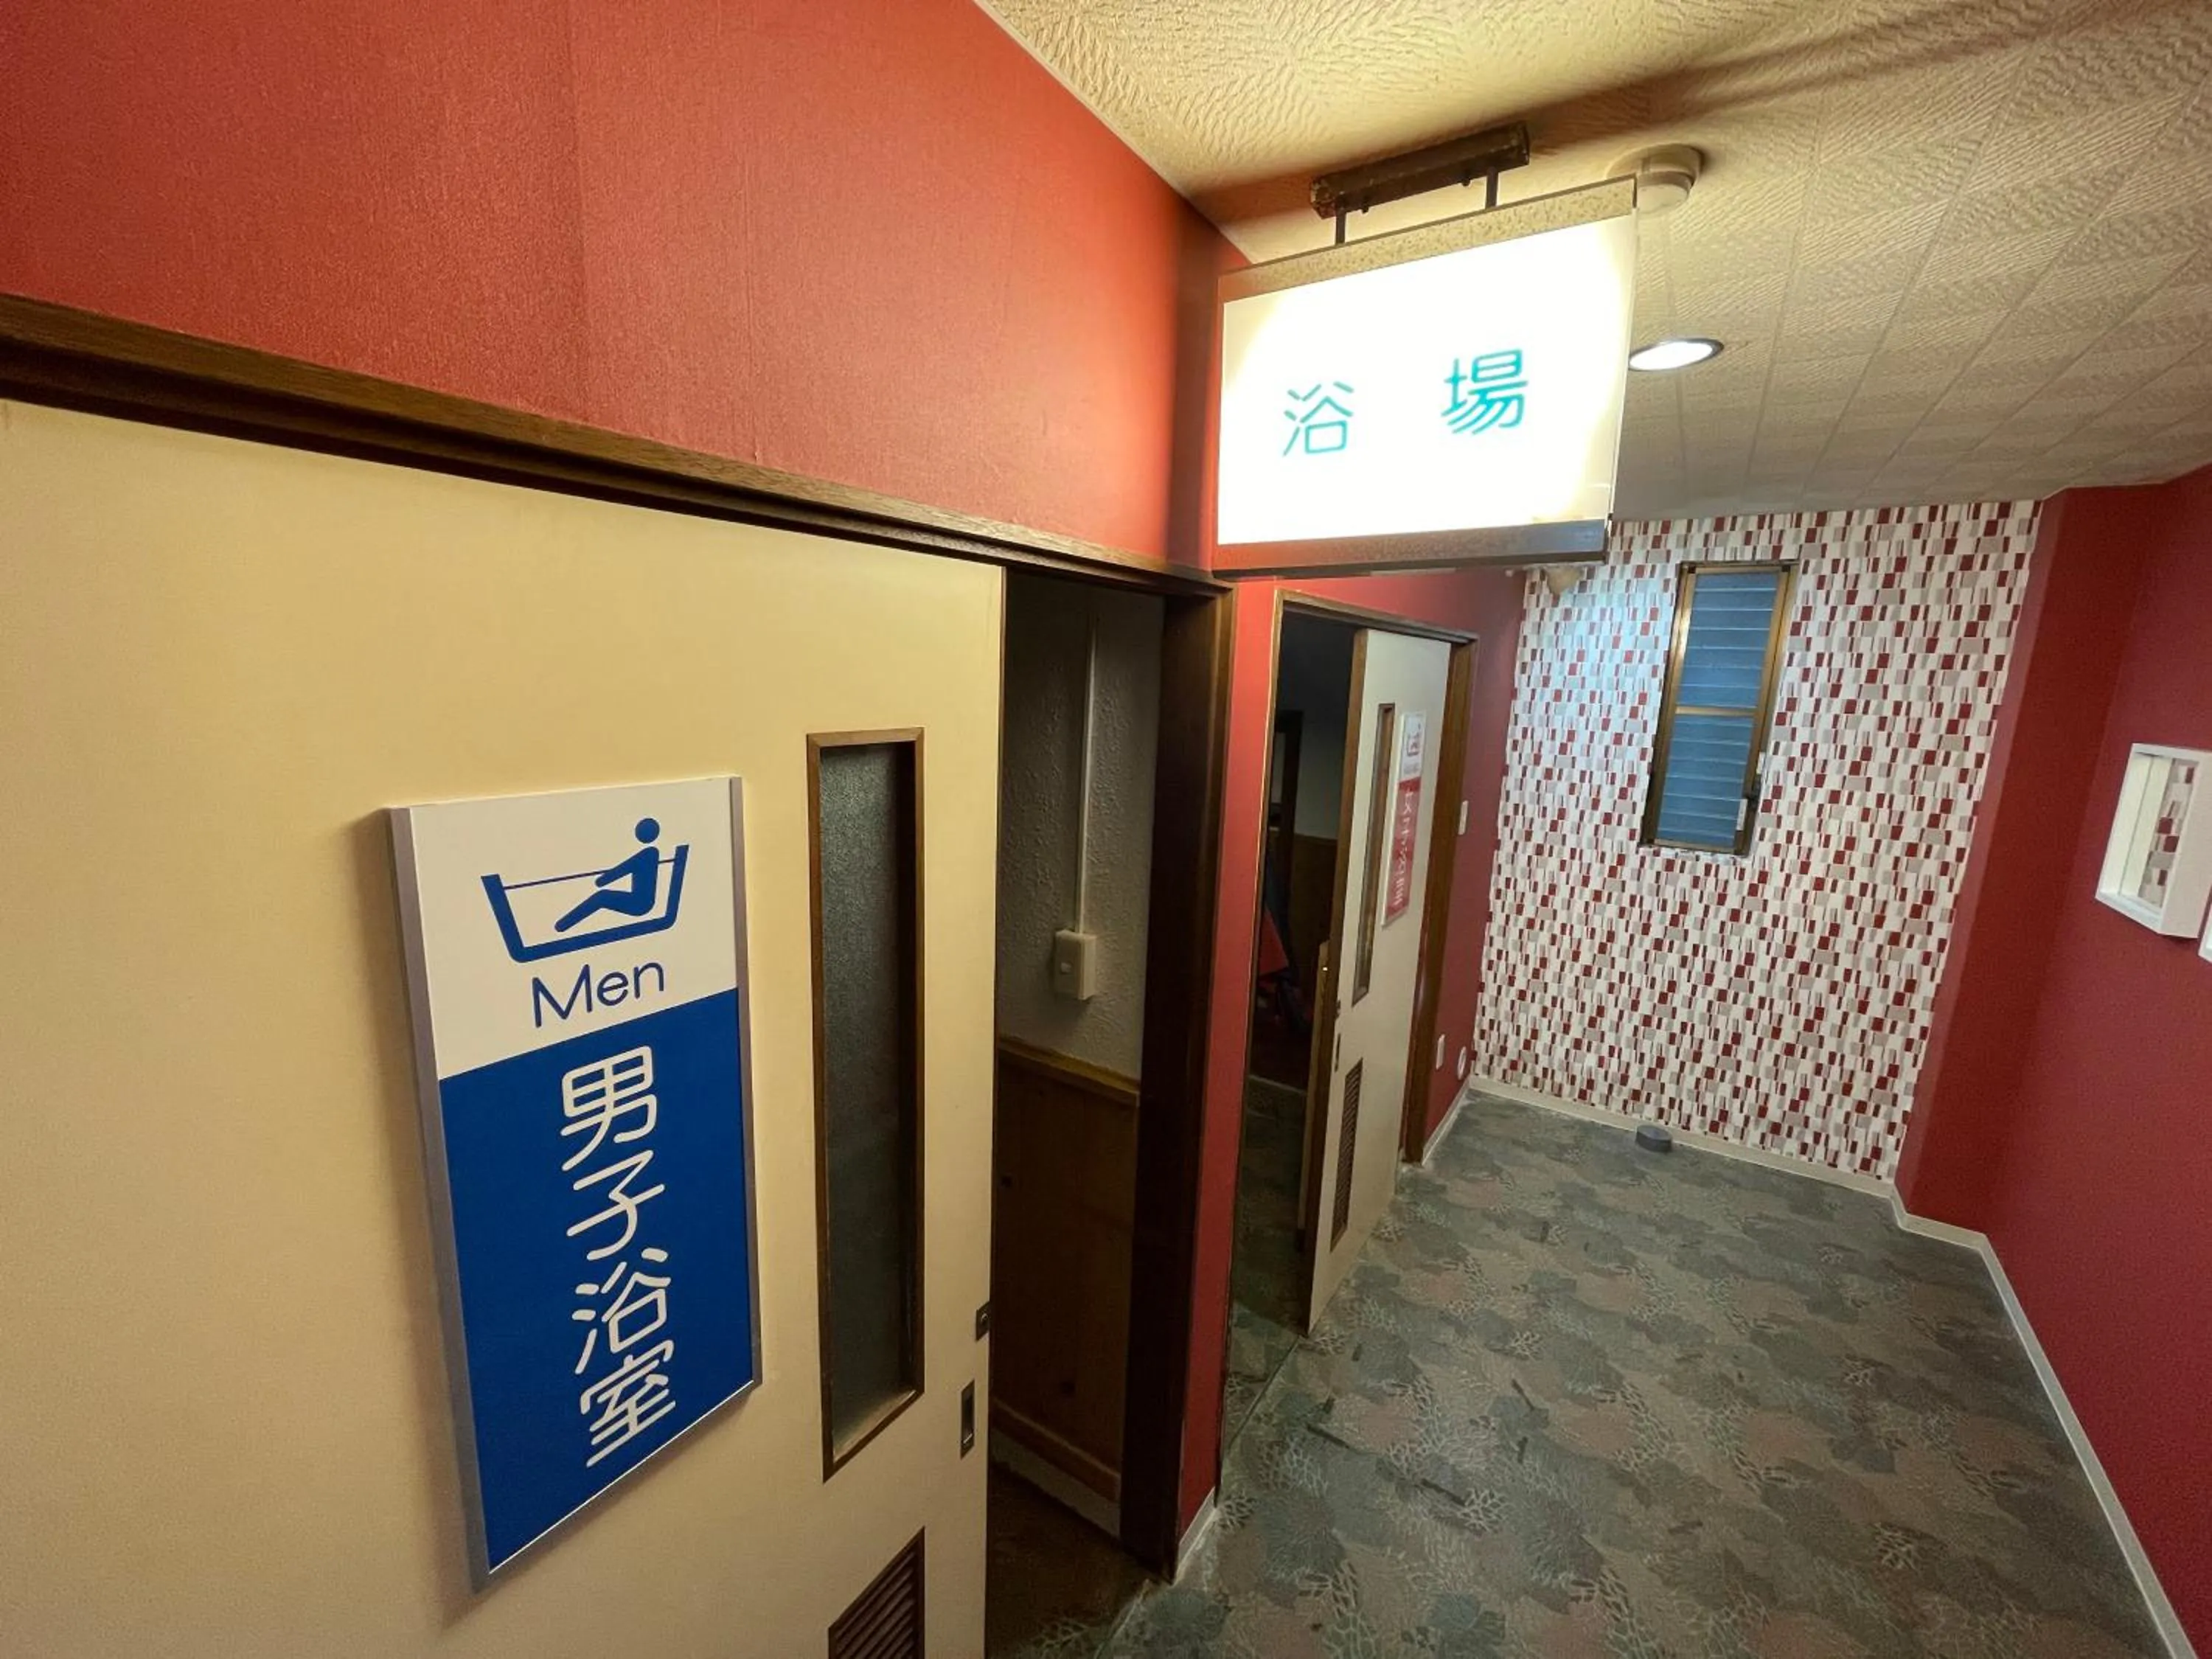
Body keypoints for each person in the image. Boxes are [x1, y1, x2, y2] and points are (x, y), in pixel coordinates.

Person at [555, 818, 665, 933]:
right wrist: (602, 880)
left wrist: (601, 880)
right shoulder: (652, 853)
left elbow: (623, 869)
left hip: (639, 903)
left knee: (601, 897)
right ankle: (562, 925)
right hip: (641, 901)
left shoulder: (647, 854)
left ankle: (562, 925)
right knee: (601, 896)